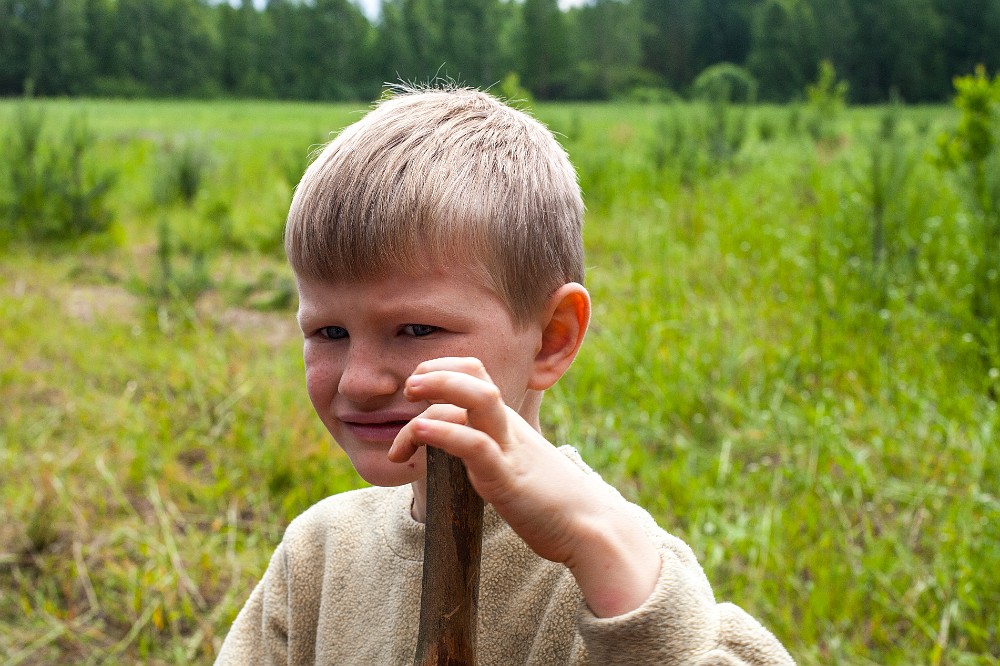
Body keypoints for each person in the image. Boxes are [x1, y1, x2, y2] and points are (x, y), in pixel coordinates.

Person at [216, 86, 794, 665]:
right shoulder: (318, 556)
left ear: (552, 338)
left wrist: (602, 547)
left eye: (416, 329)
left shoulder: (613, 570)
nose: (358, 382)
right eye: (329, 333)